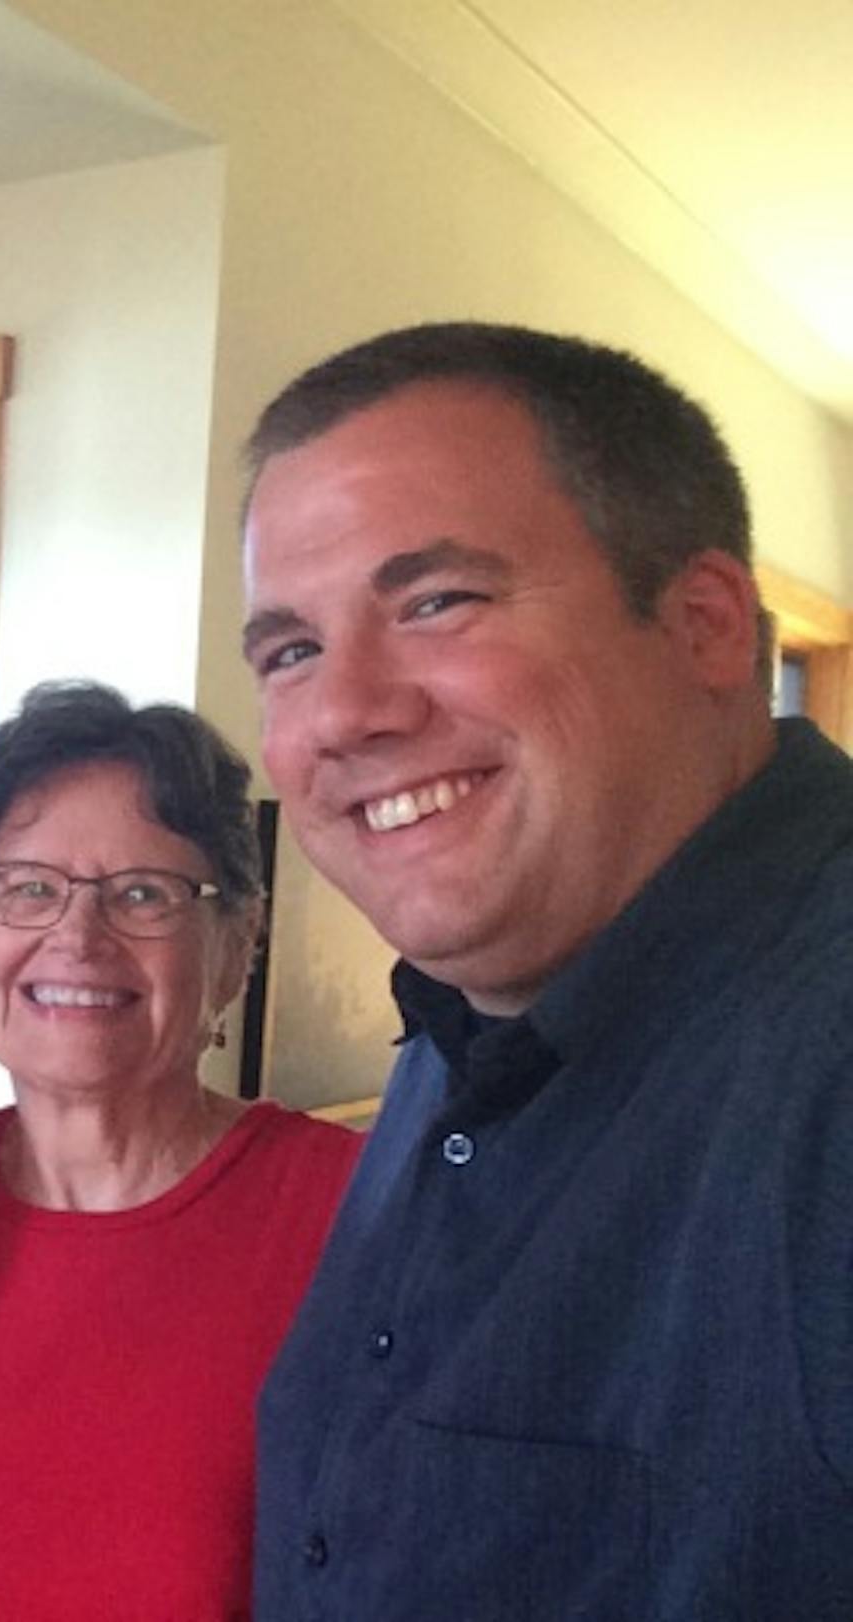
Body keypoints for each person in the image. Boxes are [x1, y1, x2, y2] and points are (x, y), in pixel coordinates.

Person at [240, 322, 853, 1617]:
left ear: (703, 624)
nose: (343, 707)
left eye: (436, 601)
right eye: (289, 648)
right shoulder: (464, 1016)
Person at [0, 682, 358, 1622]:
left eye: (144, 894)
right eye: (26, 887)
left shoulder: (341, 1208)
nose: (76, 936)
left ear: (237, 947)